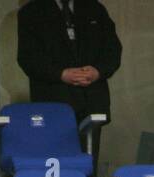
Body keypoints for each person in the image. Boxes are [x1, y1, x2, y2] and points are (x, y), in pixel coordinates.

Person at [17, 0, 122, 167]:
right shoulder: (32, 12)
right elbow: (28, 58)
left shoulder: (95, 9)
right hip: (53, 102)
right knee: (56, 163)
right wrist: (61, 74)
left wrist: (97, 71)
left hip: (91, 102)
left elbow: (113, 50)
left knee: (88, 162)